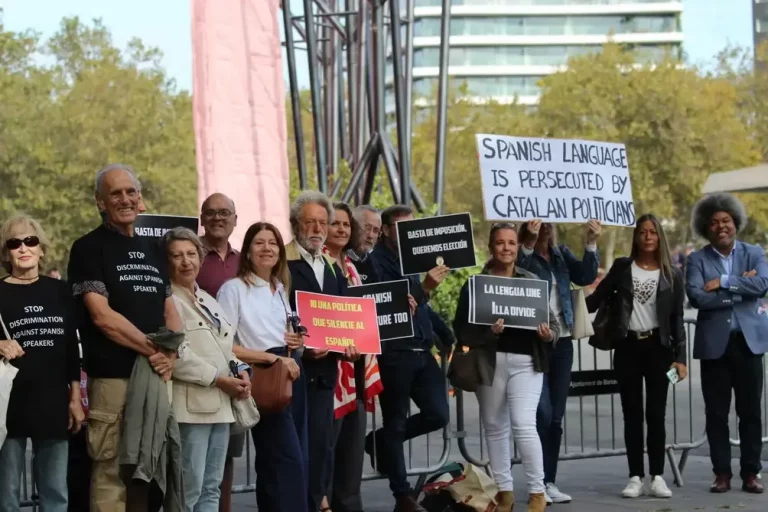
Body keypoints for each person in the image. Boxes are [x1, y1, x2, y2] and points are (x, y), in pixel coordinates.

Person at [67, 163, 182, 512]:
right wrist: (154, 351)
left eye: (130, 191)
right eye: (115, 193)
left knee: (151, 470)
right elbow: (102, 318)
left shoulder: (153, 250)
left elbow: (171, 312)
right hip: (114, 379)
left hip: (156, 377)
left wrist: (172, 354)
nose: (125, 199)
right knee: (111, 472)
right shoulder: (88, 248)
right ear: (101, 202)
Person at [453, 223, 558, 512]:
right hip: (490, 364)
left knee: (524, 424)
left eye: (512, 243)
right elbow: (461, 330)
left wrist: (549, 335)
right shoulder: (476, 285)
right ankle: (504, 492)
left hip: (527, 362)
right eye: (500, 243)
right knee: (495, 428)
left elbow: (555, 325)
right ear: (491, 246)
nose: (507, 248)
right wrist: (490, 333)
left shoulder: (531, 280)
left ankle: (537, 492)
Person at [586, 214, 687, 498]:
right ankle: (635, 476)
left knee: (656, 414)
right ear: (636, 237)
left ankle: (657, 477)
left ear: (659, 237)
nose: (648, 236)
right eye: (643, 232)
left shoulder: (671, 274)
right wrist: (567, 304)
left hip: (659, 349)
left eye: (653, 232)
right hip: (628, 347)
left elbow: (677, 319)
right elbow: (596, 298)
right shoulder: (622, 267)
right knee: (632, 414)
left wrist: (681, 358)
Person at [217, 222, 308, 511]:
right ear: (247, 251)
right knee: (287, 460)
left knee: (276, 461)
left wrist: (296, 343)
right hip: (266, 375)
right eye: (259, 242)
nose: (267, 248)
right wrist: (273, 358)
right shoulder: (233, 289)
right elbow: (224, 343)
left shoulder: (281, 288)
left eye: (273, 242)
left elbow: (286, 336)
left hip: (291, 372)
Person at [162, 227, 253, 511]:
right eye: (177, 256)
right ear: (167, 262)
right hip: (191, 409)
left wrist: (241, 369)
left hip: (222, 407)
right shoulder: (167, 301)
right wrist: (218, 379)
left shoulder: (209, 300)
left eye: (191, 254)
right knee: (188, 492)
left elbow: (228, 346)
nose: (186, 261)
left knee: (212, 489)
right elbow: (178, 356)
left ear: (201, 258)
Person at [367, 204, 450, 512]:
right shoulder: (376, 261)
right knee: (396, 423)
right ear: (386, 230)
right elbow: (394, 302)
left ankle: (377, 442)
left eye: (412, 228)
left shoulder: (414, 261)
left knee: (439, 414)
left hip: (422, 351)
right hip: (395, 354)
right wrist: (424, 286)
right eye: (401, 228)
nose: (408, 234)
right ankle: (402, 495)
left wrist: (445, 333)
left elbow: (421, 307)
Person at [0, 215, 85, 512]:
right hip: (8, 404)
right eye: (14, 243)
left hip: (53, 402)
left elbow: (70, 350)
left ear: (41, 248)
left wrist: (75, 399)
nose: (23, 247)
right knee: (6, 496)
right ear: (6, 252)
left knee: (55, 493)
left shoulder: (59, 291)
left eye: (30, 241)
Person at [686, 193, 768, 494]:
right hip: (714, 346)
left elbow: (763, 284)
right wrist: (741, 288)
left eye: (726, 221)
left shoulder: (754, 252)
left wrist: (723, 282)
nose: (721, 226)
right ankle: (721, 472)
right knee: (716, 413)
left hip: (749, 344)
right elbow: (696, 296)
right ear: (706, 228)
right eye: (714, 223)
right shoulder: (697, 258)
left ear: (735, 224)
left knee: (751, 413)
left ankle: (751, 473)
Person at [284, 191, 359, 512]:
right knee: (291, 454)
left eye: (322, 223)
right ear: (295, 225)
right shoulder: (283, 263)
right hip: (292, 373)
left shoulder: (332, 268)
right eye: (310, 222)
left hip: (326, 374)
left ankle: (317, 504)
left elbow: (344, 319)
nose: (317, 229)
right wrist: (303, 350)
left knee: (321, 450)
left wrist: (351, 348)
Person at [517, 219, 601, 504]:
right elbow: (516, 275)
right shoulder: (522, 254)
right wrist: (527, 242)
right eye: (541, 224)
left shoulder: (561, 254)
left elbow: (586, 275)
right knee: (540, 414)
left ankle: (548, 481)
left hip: (562, 342)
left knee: (555, 418)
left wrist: (591, 242)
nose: (547, 228)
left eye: (550, 223)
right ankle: (536, 482)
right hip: (534, 343)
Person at [323, 202, 384, 512]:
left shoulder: (353, 269)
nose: (342, 230)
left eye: (347, 225)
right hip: (327, 375)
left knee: (351, 457)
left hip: (356, 372)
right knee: (327, 456)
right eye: (335, 224)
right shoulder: (313, 267)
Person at [195, 193, 242, 512]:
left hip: (238, 361)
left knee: (226, 454)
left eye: (225, 212)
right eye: (210, 213)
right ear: (201, 218)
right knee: (196, 458)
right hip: (199, 366)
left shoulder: (244, 259)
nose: (218, 218)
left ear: (236, 220)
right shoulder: (189, 254)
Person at [349, 205, 382, 285]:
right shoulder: (337, 260)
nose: (370, 235)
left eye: (375, 230)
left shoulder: (375, 264)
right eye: (367, 228)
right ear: (352, 226)